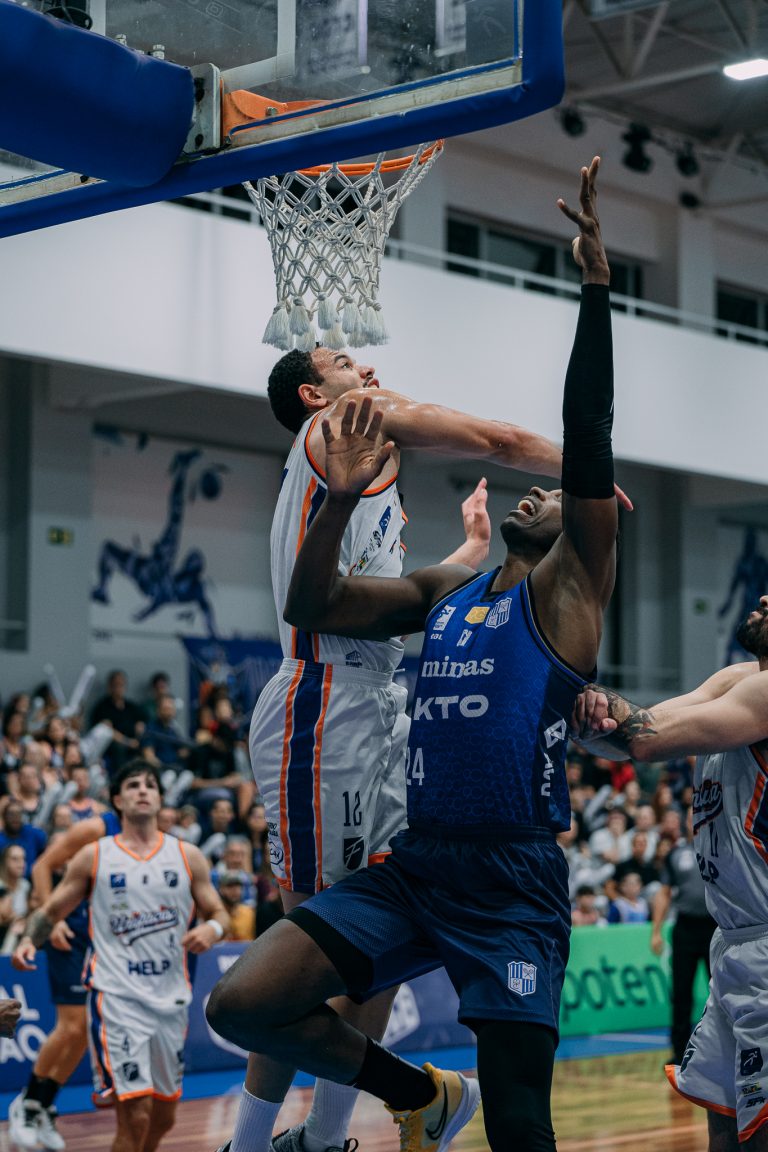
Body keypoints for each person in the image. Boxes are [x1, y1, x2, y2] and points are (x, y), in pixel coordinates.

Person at [206, 156, 622, 1152]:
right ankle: (278, 1140)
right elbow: (497, 436)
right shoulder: (343, 430)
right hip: (326, 706)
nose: (366, 366)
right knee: (312, 941)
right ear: (316, 393)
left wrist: (472, 556)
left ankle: (337, 1130)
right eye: (343, 360)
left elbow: (418, 599)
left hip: (395, 732)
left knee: (361, 957)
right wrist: (589, 472)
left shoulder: (398, 503)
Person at [571, 595, 768, 1151]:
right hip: (735, 944)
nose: (763, 597)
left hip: (764, 945)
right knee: (723, 1125)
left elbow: (644, 737)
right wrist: (589, 714)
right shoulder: (737, 679)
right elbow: (635, 729)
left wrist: (564, 686)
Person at [12, 759, 229, 1152]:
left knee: (163, 1119)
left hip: (170, 999)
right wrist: (31, 937)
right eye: (132, 785)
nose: (142, 790)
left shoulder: (187, 855)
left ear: (161, 799)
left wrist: (211, 929)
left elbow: (219, 913)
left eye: (150, 785)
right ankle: (32, 1104)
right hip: (116, 998)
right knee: (136, 1114)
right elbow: (51, 907)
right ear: (116, 799)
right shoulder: (95, 852)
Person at [651, 807, 715, 1065]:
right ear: (686, 822)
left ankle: (723, 1048)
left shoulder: (720, 849)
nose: (694, 820)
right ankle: (679, 1052)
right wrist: (656, 931)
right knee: (681, 993)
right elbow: (664, 893)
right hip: (685, 928)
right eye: (690, 816)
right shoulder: (676, 854)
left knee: (720, 992)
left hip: (715, 928)